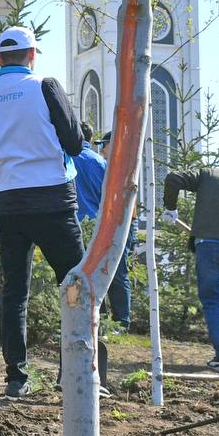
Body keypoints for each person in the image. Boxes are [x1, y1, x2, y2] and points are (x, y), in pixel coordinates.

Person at [0, 25, 85, 399]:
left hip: (5, 203)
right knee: (76, 285)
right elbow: (73, 142)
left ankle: (16, 378)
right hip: (51, 199)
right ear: (32, 55)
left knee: (15, 291)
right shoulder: (44, 86)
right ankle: (75, 373)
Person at [162, 155, 219, 372]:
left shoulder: (209, 173)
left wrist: (170, 208)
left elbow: (174, 178)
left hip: (209, 246)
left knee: (212, 302)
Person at [71, 122, 133, 331]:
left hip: (78, 225)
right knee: (114, 271)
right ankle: (121, 321)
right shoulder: (100, 162)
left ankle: (96, 317)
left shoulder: (66, 159)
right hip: (103, 225)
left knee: (85, 274)